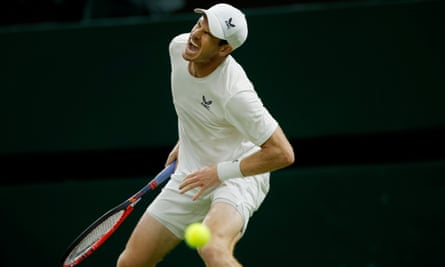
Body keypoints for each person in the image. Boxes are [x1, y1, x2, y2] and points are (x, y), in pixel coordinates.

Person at [117, 3, 294, 267]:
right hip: (191, 174)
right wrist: (187, 140)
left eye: (209, 33)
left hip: (238, 175)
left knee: (212, 247)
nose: (196, 34)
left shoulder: (235, 93)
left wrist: (219, 172)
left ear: (225, 49)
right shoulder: (178, 48)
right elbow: (196, 106)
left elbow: (282, 153)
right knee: (131, 263)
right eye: (200, 23)